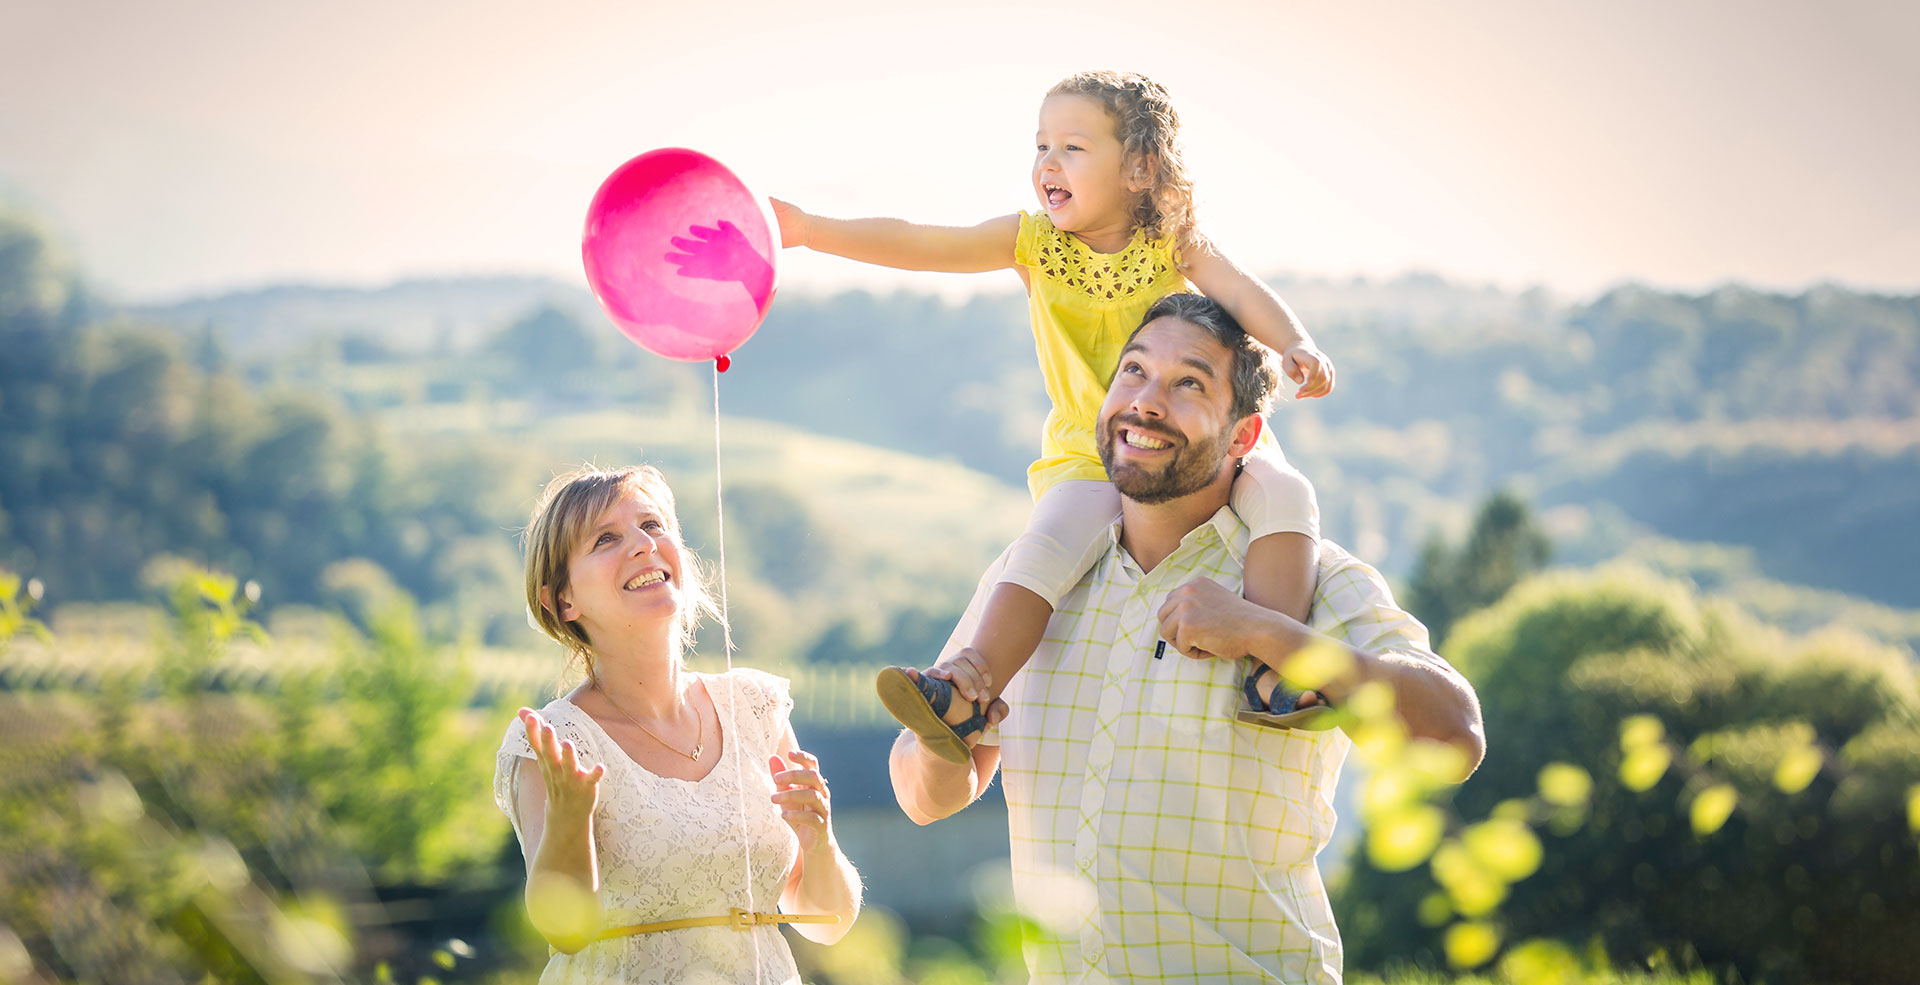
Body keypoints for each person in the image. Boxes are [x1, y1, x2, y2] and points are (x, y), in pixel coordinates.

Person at [890, 294, 1486, 984]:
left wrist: (1265, 630)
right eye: (1133, 372)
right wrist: (947, 741)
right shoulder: (1031, 579)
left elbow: (1457, 734)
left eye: (1189, 384)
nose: (1145, 401)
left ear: (1243, 436)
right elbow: (922, 794)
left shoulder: (1316, 580)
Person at [768, 70, 1338, 758]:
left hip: (1198, 439)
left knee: (1284, 492)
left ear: (1139, 168)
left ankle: (1273, 670)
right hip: (1089, 447)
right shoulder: (1033, 242)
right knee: (1050, 542)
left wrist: (1295, 343)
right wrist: (806, 229)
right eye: (1041, 146)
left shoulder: (1174, 240)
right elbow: (921, 240)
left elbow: (1243, 293)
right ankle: (968, 688)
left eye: (1072, 147)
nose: (1048, 163)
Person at [493, 465, 860, 983]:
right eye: (606, 538)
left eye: (653, 524)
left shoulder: (754, 707)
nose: (644, 544)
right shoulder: (557, 742)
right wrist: (570, 820)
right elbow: (565, 932)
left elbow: (828, 921)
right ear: (563, 600)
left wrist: (820, 839)